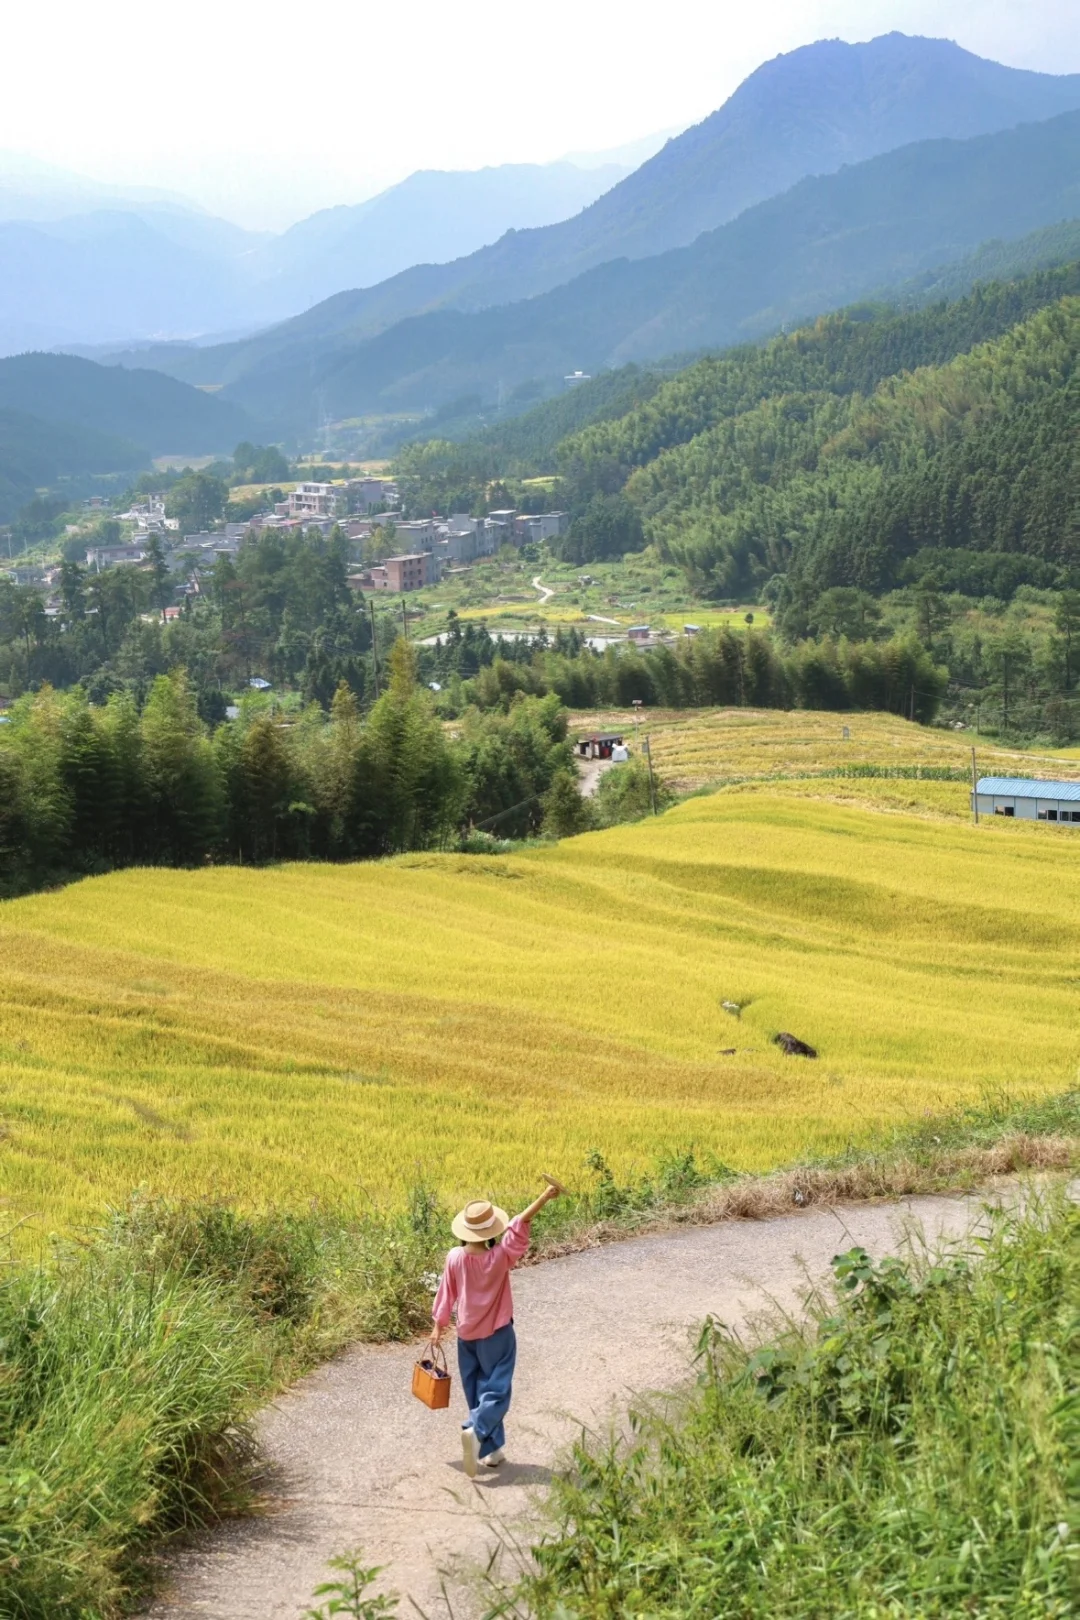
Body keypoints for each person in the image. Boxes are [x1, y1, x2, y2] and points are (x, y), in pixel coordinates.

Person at [432, 1179, 562, 1477]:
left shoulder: (454, 1257)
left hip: (466, 1335)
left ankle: (492, 1451)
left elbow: (446, 1292)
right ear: (491, 1231)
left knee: (477, 1390)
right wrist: (544, 1196)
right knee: (497, 1391)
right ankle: (476, 1430)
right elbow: (519, 1225)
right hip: (498, 1334)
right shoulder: (500, 1256)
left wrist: (438, 1325)